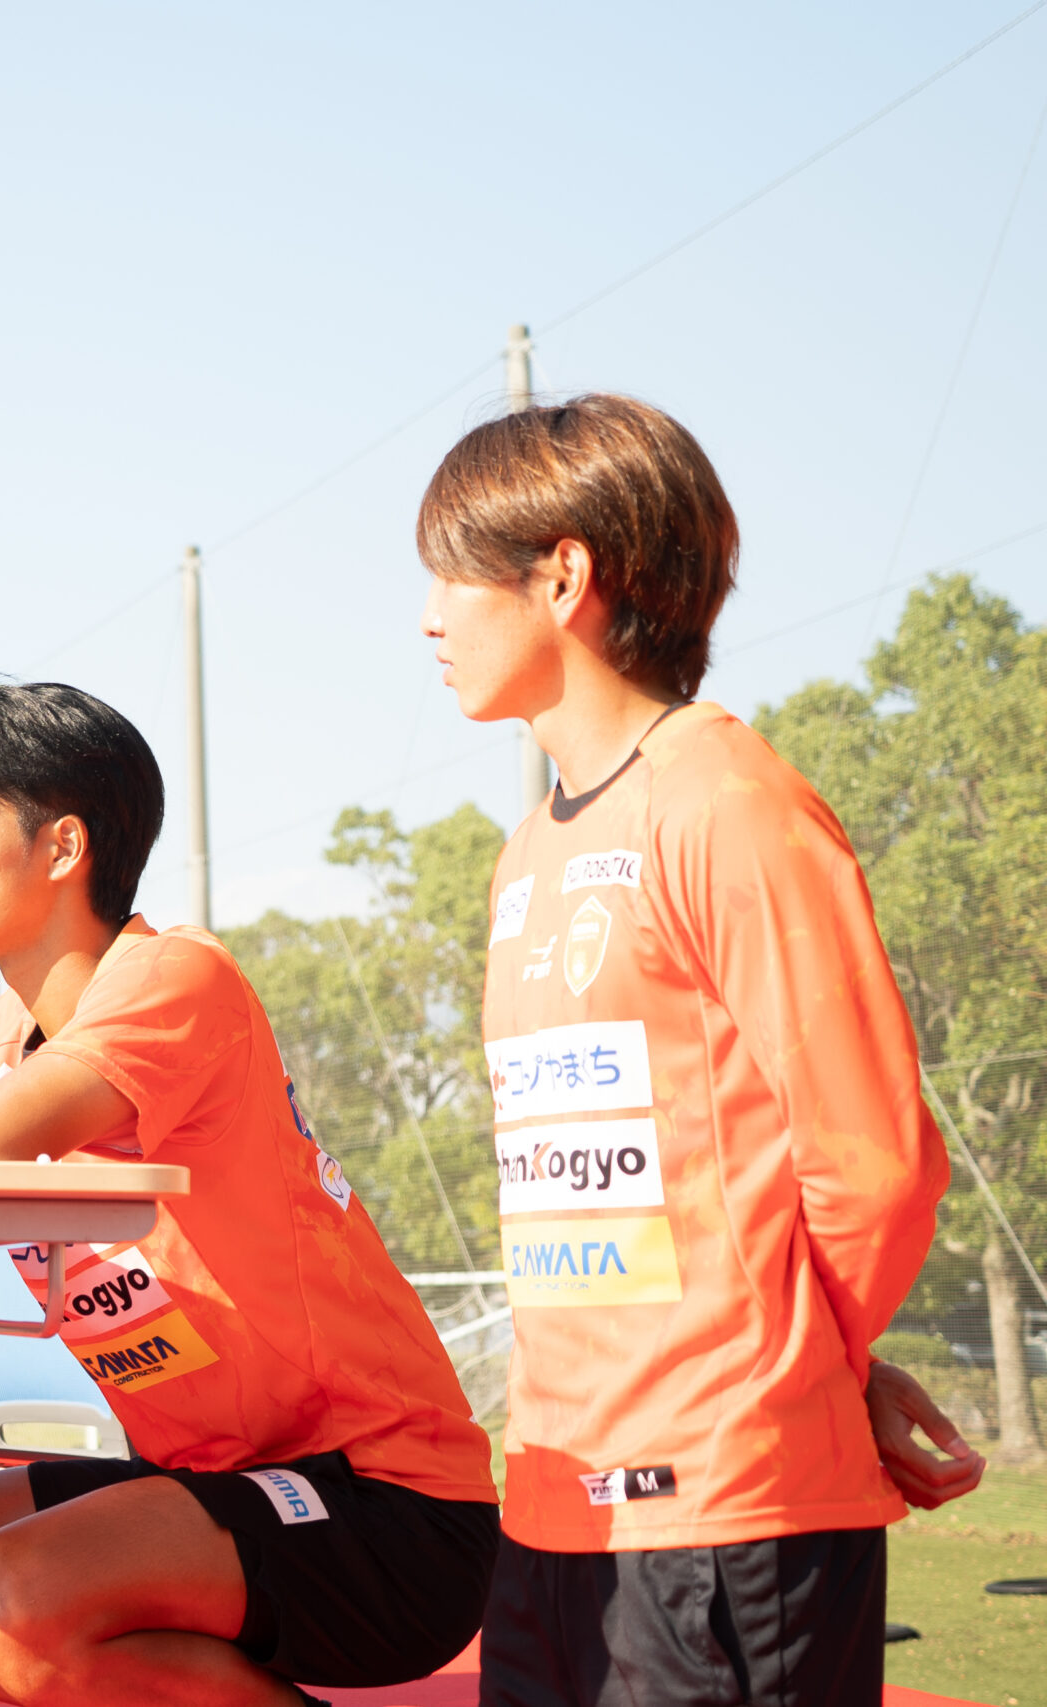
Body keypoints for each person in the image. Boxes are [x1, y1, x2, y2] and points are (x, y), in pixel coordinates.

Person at [413, 394, 980, 1703]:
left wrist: (809, 1371)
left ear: (563, 576)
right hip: (551, 1498)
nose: (427, 618)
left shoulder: (728, 801)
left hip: (723, 1505)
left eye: (451, 574)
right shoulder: (526, 851)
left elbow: (877, 1168)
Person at [0, 679, 502, 1706]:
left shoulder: (173, 978)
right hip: (205, 1483)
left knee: (16, 1591)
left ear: (62, 846)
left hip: (383, 1499)